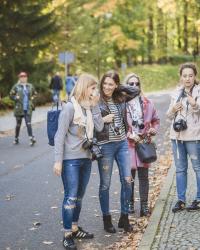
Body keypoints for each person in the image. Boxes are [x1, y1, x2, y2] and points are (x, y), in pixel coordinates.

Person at [53, 73, 104, 250]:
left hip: (86, 158)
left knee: (79, 197)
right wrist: (58, 161)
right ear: (84, 87)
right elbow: (59, 135)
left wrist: (96, 106)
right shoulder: (69, 108)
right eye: (93, 88)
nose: (95, 91)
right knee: (71, 196)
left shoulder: (89, 107)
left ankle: (74, 227)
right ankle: (67, 234)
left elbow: (99, 127)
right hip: (70, 160)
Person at [95, 70, 140, 233]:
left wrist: (118, 85)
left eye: (111, 84)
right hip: (105, 145)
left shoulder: (120, 97)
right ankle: (106, 219)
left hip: (122, 144)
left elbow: (136, 90)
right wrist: (102, 119)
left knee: (127, 180)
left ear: (115, 85)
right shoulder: (96, 99)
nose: (107, 87)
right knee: (105, 185)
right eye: (105, 83)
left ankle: (124, 217)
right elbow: (90, 122)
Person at [123, 73, 160, 216]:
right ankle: (130, 203)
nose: (134, 86)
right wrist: (130, 135)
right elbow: (119, 126)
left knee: (144, 177)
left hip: (144, 144)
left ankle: (144, 206)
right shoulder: (122, 104)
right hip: (128, 145)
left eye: (136, 84)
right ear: (126, 86)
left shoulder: (147, 103)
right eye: (131, 84)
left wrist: (153, 130)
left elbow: (156, 120)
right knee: (129, 177)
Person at [167, 63, 200, 213]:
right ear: (181, 77)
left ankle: (198, 199)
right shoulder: (176, 93)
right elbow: (168, 116)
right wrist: (173, 109)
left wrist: (195, 105)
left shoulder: (198, 91)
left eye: (190, 75)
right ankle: (181, 200)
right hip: (177, 137)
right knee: (180, 169)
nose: (187, 78)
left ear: (195, 76)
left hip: (194, 137)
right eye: (184, 75)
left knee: (197, 168)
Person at [10, 72, 37, 146]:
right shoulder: (16, 86)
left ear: (26, 78)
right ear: (19, 78)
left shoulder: (30, 86)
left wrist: (32, 98)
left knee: (28, 123)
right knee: (18, 124)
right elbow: (11, 95)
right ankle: (16, 138)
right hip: (19, 108)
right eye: (21, 77)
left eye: (24, 76)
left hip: (28, 108)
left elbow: (35, 93)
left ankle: (31, 138)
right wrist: (16, 97)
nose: (23, 78)